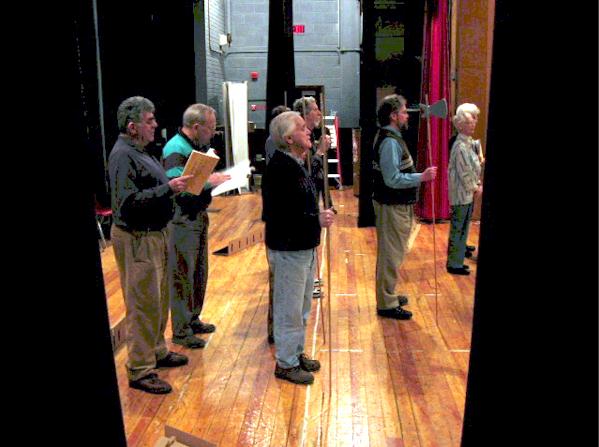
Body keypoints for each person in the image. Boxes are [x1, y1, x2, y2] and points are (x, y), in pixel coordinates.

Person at [109, 96, 193, 394]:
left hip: (153, 234)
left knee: (157, 299)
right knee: (143, 304)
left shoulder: (140, 151)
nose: (155, 125)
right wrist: (167, 189)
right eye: (149, 121)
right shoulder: (123, 156)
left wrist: (169, 188)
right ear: (133, 127)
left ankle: (156, 350)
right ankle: (140, 368)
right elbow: (127, 204)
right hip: (137, 237)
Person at [262, 111, 336, 384]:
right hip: (289, 247)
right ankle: (286, 362)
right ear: (288, 137)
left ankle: (295, 352)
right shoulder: (279, 169)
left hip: (303, 245)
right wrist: (314, 218)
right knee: (289, 308)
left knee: (303, 305)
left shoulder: (296, 162)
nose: (308, 131)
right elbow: (278, 215)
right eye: (302, 128)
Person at [162, 104, 230, 349]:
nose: (213, 132)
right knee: (182, 272)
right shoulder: (175, 148)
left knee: (199, 270)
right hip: (182, 218)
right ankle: (181, 329)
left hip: (197, 214)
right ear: (196, 127)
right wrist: (209, 181)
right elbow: (178, 185)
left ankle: (192, 318)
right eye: (210, 128)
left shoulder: (194, 147)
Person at [372, 94, 438, 320]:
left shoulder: (391, 136)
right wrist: (422, 177)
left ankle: (387, 293)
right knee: (391, 254)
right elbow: (392, 179)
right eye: (402, 112)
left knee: (394, 252)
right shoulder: (390, 141)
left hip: (395, 204)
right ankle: (387, 302)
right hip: (392, 205)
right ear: (393, 116)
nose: (406, 115)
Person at [264, 105, 291, 345]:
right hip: (285, 242)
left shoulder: (290, 163)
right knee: (283, 293)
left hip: (292, 242)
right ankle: (282, 344)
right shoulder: (281, 166)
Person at [446, 103, 483, 275]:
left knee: (463, 228)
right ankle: (454, 263)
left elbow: (472, 166)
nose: (474, 124)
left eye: (474, 120)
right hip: (461, 194)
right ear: (460, 124)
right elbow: (464, 173)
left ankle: (458, 260)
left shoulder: (468, 143)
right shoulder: (460, 146)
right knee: (458, 229)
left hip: (467, 194)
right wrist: (475, 187)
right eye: (470, 122)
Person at [292, 96, 334, 210]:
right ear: (305, 115)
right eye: (315, 110)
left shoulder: (312, 134)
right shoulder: (298, 138)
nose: (320, 113)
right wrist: (320, 151)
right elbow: (307, 172)